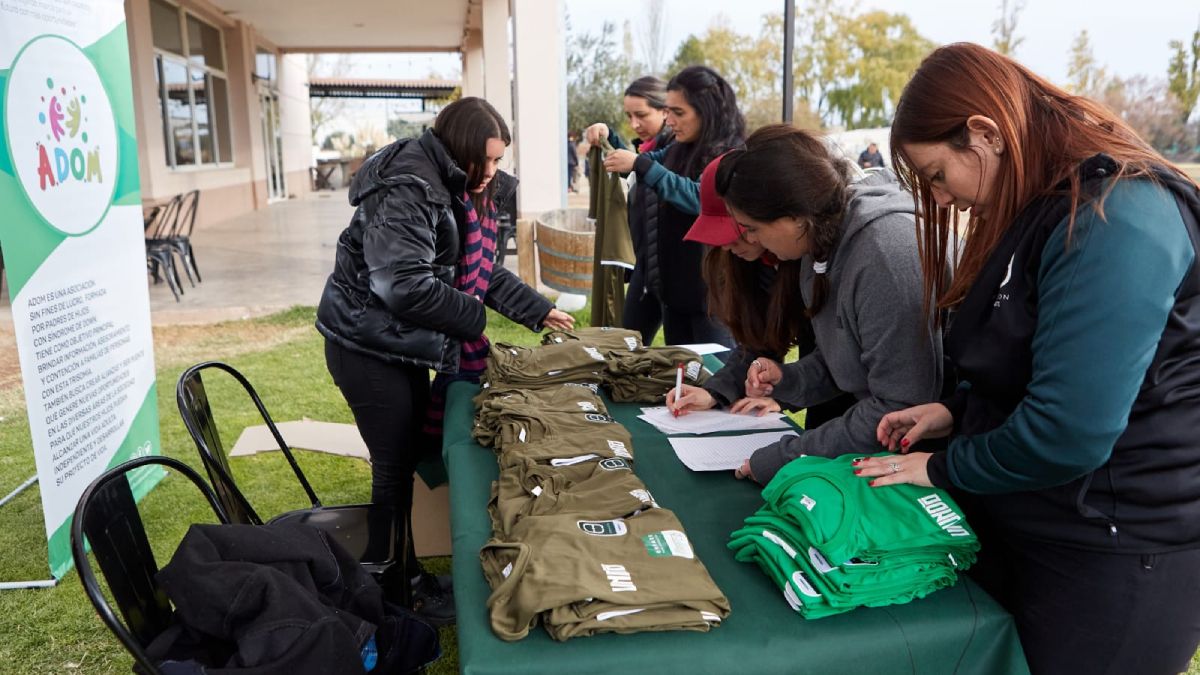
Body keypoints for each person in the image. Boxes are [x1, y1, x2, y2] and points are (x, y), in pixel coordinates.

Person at [858, 43, 1200, 675]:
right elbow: (1037, 360)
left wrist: (944, 468)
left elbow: (1069, 430)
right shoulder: (1042, 207)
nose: (938, 200)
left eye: (936, 175)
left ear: (984, 135)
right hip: (1033, 529)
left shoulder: (1116, 214)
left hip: (1110, 555)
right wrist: (954, 411)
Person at [316, 97, 575, 626]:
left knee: (404, 458)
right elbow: (404, 285)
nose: (493, 174)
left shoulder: (453, 181)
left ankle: (404, 574)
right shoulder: (408, 188)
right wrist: (474, 322)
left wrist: (535, 310)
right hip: (365, 347)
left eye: (500, 162)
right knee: (392, 467)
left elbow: (472, 273)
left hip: (394, 342)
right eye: (488, 162)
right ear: (458, 151)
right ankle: (393, 587)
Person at [706, 124, 943, 487]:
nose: (749, 240)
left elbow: (900, 407)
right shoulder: (817, 245)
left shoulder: (885, 255)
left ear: (796, 217)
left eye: (752, 228)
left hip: (935, 465)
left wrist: (786, 457)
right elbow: (849, 357)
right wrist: (788, 380)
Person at [666, 153, 855, 427]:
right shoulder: (754, 260)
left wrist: (785, 393)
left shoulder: (820, 259)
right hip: (823, 394)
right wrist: (715, 392)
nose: (727, 246)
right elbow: (759, 340)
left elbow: (839, 358)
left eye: (744, 229)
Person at [586, 67, 743, 347]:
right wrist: (610, 139)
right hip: (672, 294)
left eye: (678, 113)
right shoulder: (678, 148)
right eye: (668, 111)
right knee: (680, 380)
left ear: (708, 111)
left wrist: (641, 165)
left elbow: (701, 198)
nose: (669, 121)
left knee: (715, 378)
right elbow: (640, 164)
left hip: (712, 299)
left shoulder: (729, 155)